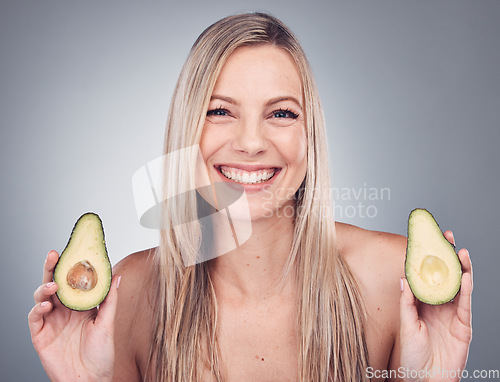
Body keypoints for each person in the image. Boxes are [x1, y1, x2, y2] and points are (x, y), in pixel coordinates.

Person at [28, 12, 472, 382]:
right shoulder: (130, 298)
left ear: (309, 135)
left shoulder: (393, 283)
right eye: (220, 111)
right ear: (189, 131)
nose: (252, 143)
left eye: (281, 113)